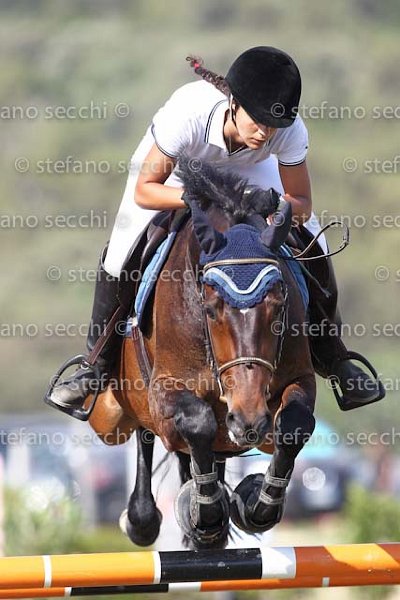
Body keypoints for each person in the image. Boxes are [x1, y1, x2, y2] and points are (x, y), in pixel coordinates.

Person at [46, 46, 384, 415]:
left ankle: (335, 357)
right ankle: (95, 366)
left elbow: (301, 202)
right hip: (178, 174)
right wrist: (197, 200)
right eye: (257, 121)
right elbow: (146, 190)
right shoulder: (188, 115)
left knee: (313, 241)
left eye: (273, 126)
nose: (264, 133)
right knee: (121, 253)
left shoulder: (286, 130)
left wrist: (277, 206)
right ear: (233, 104)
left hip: (252, 176)